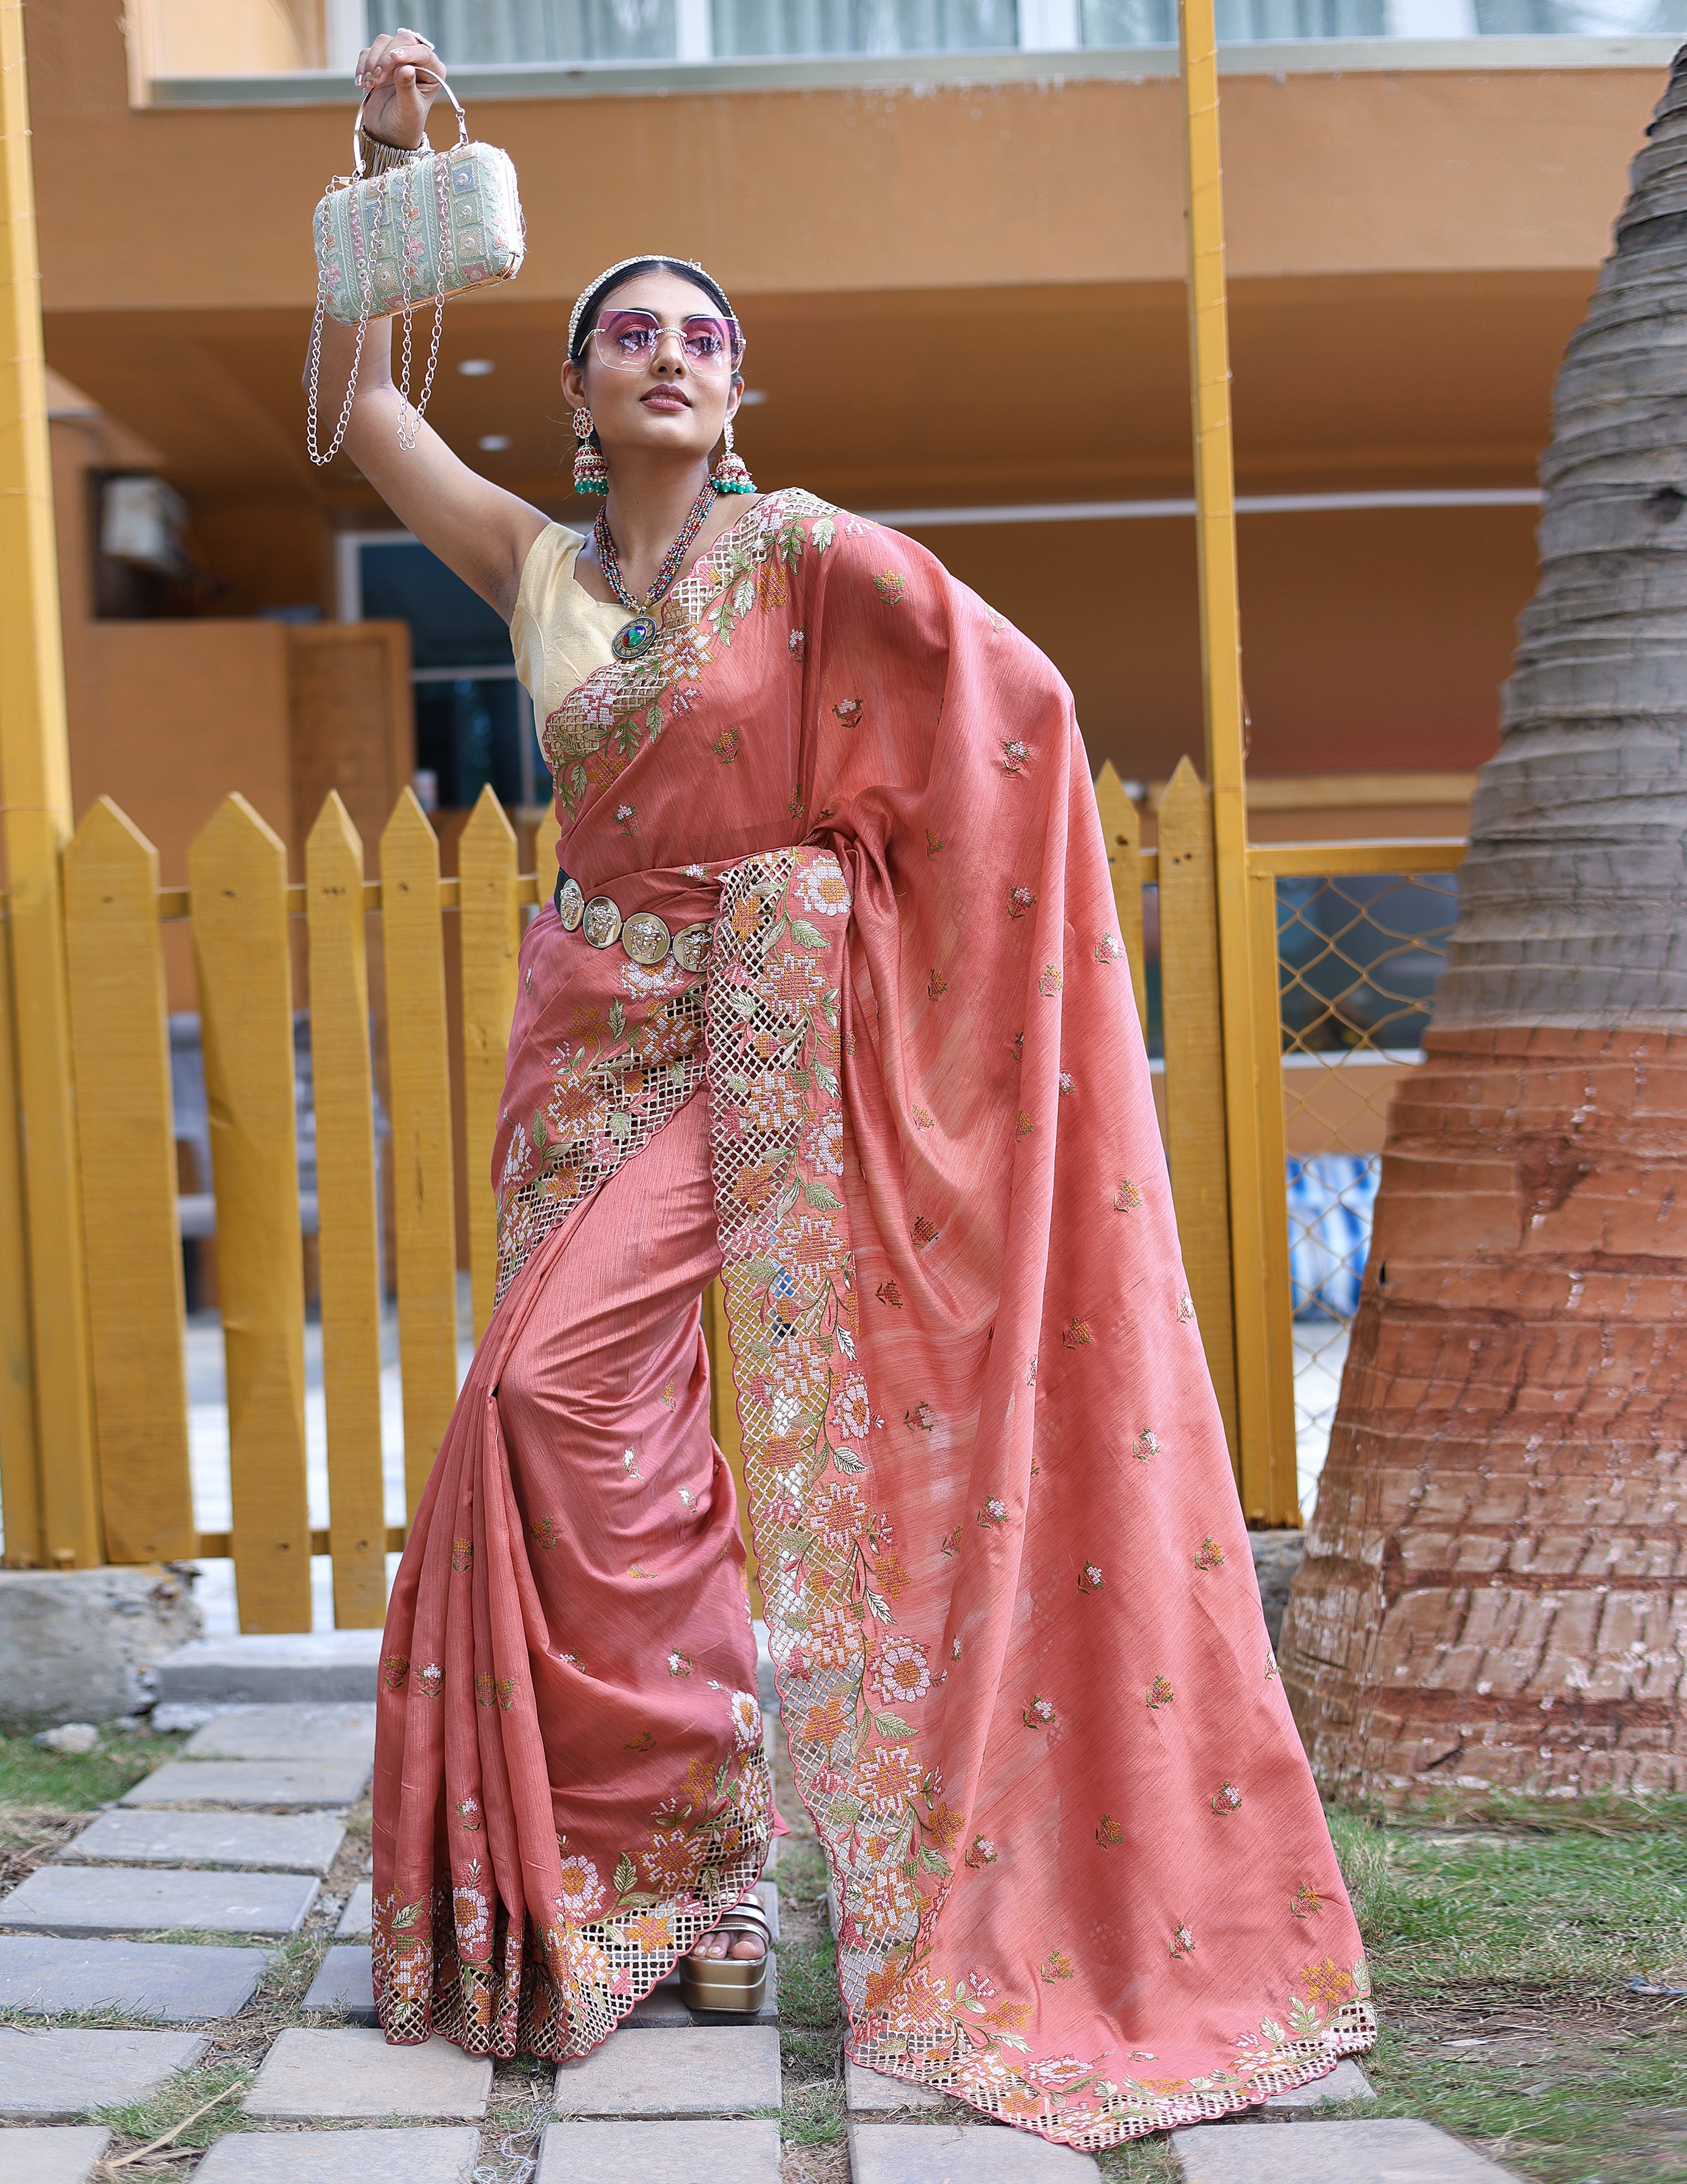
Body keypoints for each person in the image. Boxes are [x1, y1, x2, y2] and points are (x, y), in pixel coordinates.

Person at [318, 29, 1376, 2149]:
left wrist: (823, 903)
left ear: (743, 387)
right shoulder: (536, 569)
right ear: (586, 387)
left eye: (705, 336)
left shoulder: (813, 561)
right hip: (588, 1045)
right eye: (631, 334)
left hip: (781, 1045)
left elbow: (1026, 712)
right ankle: (678, 1876)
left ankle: (712, 1858)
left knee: (548, 1392)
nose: (670, 356)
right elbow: (357, 411)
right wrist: (376, 172)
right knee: (576, 1422)